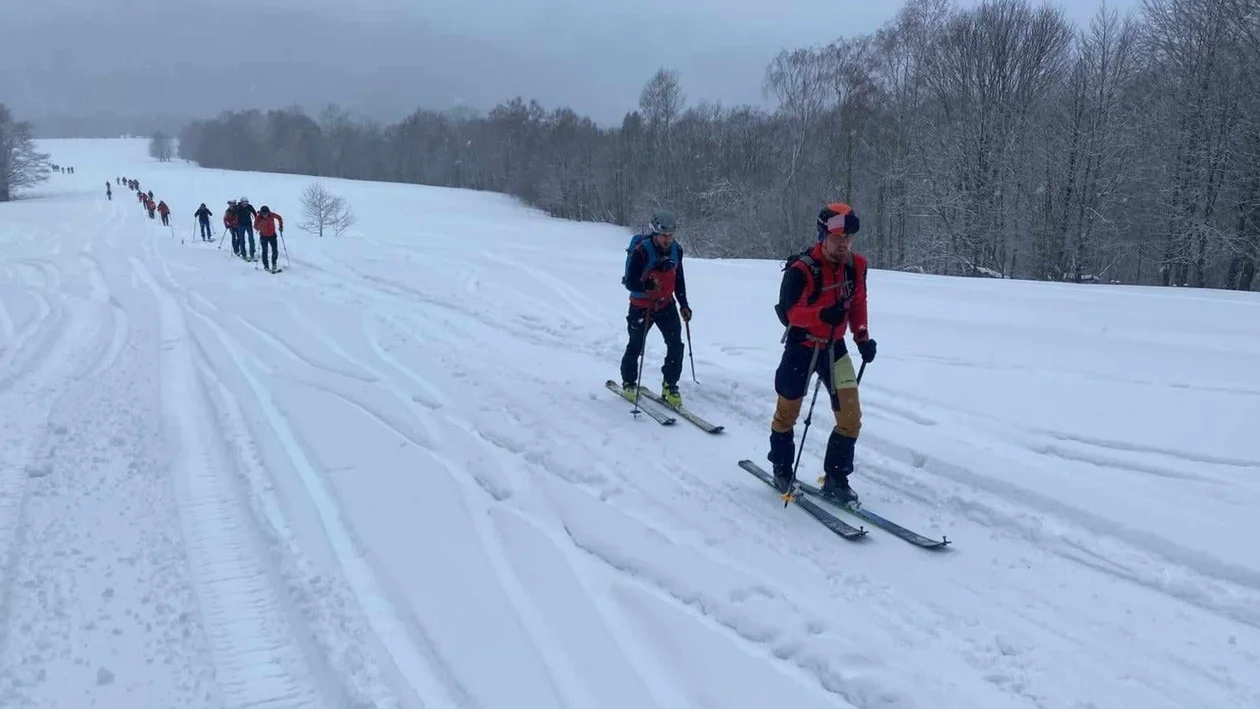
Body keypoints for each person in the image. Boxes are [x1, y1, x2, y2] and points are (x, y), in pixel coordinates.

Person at [766, 202, 877, 504]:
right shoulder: (801, 269)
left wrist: (862, 336)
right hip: (801, 347)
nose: (844, 244)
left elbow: (858, 303)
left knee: (850, 415)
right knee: (787, 412)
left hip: (834, 348)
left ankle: (836, 478)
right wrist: (820, 315)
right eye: (838, 237)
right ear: (822, 236)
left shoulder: (856, 266)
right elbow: (790, 313)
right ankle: (782, 468)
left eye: (848, 238)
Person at [618, 209, 692, 406]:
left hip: (666, 305)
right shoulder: (642, 251)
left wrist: (684, 304)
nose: (668, 240)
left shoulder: (677, 250)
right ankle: (629, 382)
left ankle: (670, 384)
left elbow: (679, 279)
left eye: (671, 235)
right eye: (664, 235)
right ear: (655, 233)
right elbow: (630, 283)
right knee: (636, 345)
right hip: (641, 306)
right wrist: (646, 286)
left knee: (676, 345)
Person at [254, 205, 284, 272]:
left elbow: (279, 218)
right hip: (263, 236)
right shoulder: (258, 217)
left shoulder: (271, 215)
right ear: (261, 213)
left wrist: (281, 226)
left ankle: (274, 264)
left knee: (275, 251)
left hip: (272, 235)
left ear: (268, 212)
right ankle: (266, 266)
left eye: (266, 214)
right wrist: (261, 224)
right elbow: (255, 227)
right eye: (263, 214)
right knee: (265, 251)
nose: (265, 215)